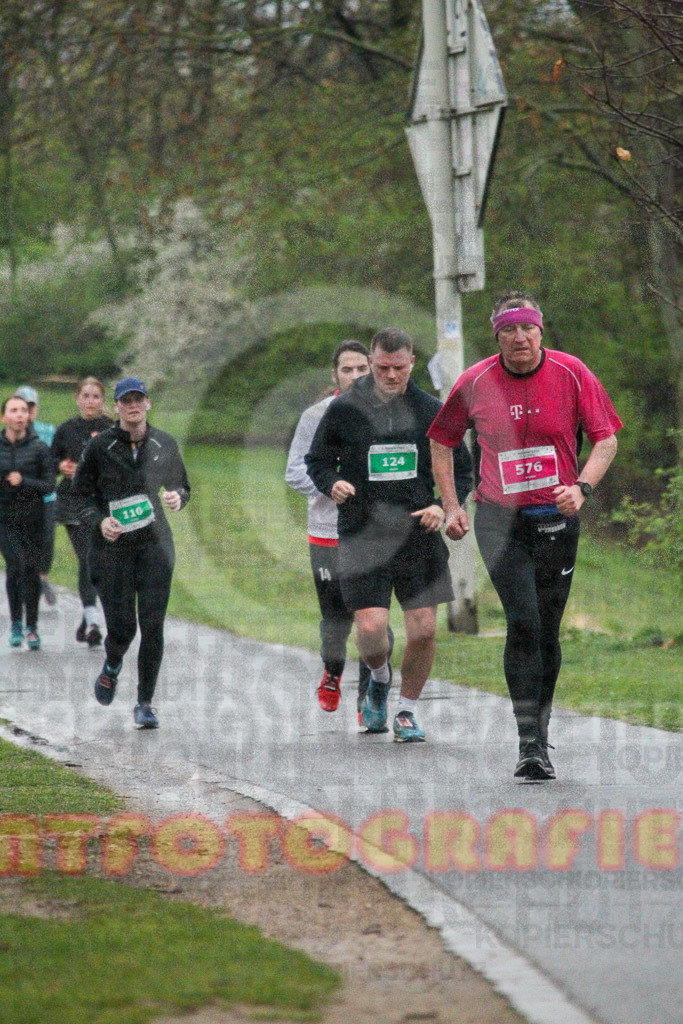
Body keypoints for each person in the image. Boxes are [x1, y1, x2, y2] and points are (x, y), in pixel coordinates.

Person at [428, 291, 622, 780]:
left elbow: (606, 438)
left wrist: (582, 488)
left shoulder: (572, 372)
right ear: (498, 336)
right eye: (509, 330)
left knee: (547, 631)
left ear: (540, 331)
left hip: (556, 518)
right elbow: (441, 440)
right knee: (524, 621)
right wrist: (452, 505)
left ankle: (541, 726)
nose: (520, 338)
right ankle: (528, 742)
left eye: (528, 328)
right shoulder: (474, 382)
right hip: (500, 520)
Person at [305, 327, 473, 742]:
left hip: (418, 535)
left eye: (399, 368)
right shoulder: (344, 409)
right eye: (382, 368)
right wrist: (332, 484)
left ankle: (407, 712)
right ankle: (379, 678)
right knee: (371, 628)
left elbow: (463, 468)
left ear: (411, 363)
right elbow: (317, 460)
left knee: (424, 631)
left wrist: (443, 505)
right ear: (373, 363)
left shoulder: (432, 410)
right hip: (363, 535)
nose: (391, 376)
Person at [71, 376, 190, 729]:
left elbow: (182, 485)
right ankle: (112, 664)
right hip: (113, 551)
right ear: (117, 406)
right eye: (126, 400)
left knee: (152, 625)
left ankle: (145, 703)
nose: (133, 405)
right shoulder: (99, 447)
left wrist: (177, 498)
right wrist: (99, 522)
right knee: (123, 628)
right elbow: (78, 496)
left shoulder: (163, 443)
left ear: (148, 403)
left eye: (139, 399)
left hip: (155, 546)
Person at [286, 340, 393, 719]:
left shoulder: (387, 412)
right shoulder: (316, 416)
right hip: (327, 532)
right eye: (346, 370)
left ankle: (370, 698)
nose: (355, 377)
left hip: (372, 533)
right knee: (336, 621)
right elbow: (294, 471)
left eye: (362, 369)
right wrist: (330, 484)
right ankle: (333, 671)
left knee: (374, 619)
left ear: (374, 370)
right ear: (335, 376)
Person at [51, 377, 114, 647]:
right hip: (73, 502)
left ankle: (88, 619)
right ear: (77, 398)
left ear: (103, 401)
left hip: (104, 502)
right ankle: (92, 620)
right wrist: (61, 466)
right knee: (88, 557)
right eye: (85, 396)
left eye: (95, 397)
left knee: (100, 561)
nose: (90, 402)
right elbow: (49, 463)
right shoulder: (66, 430)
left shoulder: (113, 429)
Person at [0, 395, 56, 649]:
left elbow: (48, 485)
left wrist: (24, 482)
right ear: (4, 417)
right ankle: (15, 624)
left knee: (31, 571)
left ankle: (32, 626)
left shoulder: (39, 448)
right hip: (5, 520)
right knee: (15, 565)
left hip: (33, 520)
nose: (20, 415)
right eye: (14, 410)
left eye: (23, 410)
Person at [13, 386, 58, 607]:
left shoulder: (49, 432)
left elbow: (60, 459)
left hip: (46, 498)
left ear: (35, 409)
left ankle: (41, 578)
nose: (25, 412)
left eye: (29, 407)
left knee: (47, 540)